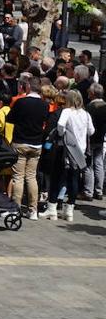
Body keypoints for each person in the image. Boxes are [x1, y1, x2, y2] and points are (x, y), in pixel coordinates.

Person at [6, 80, 48, 219]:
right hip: (36, 144)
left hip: (20, 142)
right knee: (31, 177)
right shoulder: (44, 105)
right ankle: (33, 210)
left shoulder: (21, 102)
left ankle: (16, 208)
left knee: (18, 176)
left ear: (28, 87)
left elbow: (10, 119)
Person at [55, 89, 93, 221]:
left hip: (69, 148)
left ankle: (57, 204)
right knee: (75, 178)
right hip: (80, 150)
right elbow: (91, 131)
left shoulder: (67, 112)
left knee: (63, 176)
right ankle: (70, 208)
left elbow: (60, 125)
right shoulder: (86, 114)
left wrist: (63, 133)